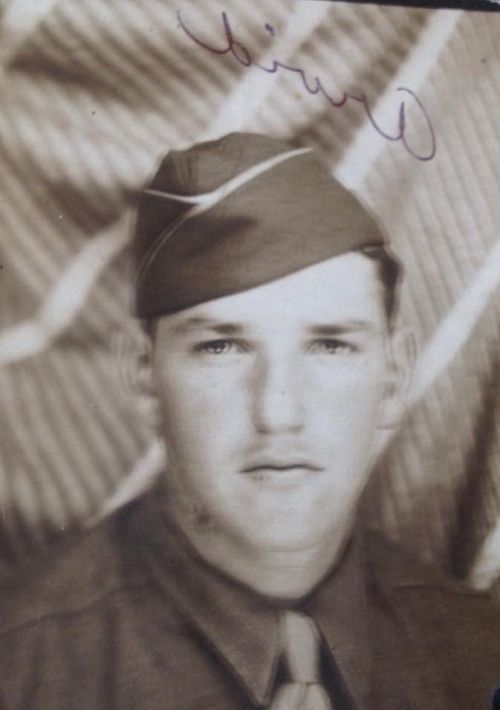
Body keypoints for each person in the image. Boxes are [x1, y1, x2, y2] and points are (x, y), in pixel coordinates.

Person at [0, 132, 499, 709]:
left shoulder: (478, 652)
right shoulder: (19, 669)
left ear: (393, 375)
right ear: (144, 372)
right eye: (221, 347)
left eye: (331, 345)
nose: (277, 413)